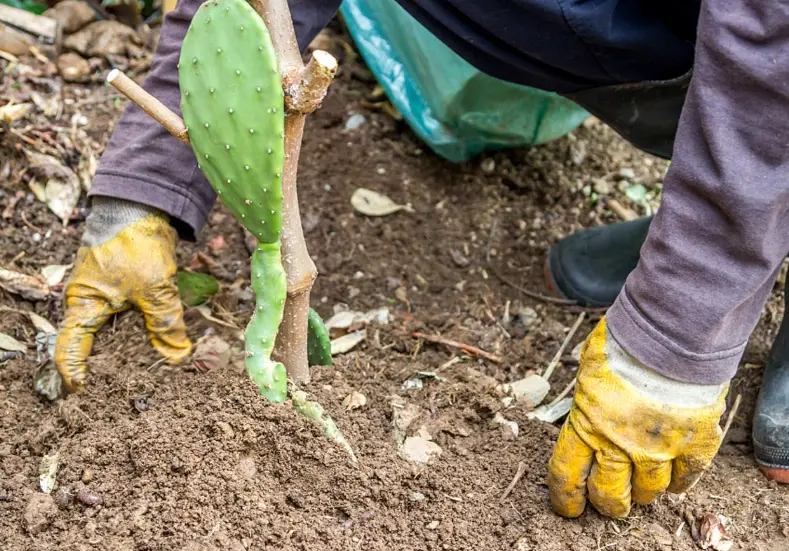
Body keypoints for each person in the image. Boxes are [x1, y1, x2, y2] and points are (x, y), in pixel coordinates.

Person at [53, 0, 789, 519]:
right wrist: (141, 192)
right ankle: (727, 222)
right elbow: (255, 23)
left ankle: (736, 240)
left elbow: (770, 50)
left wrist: (675, 329)